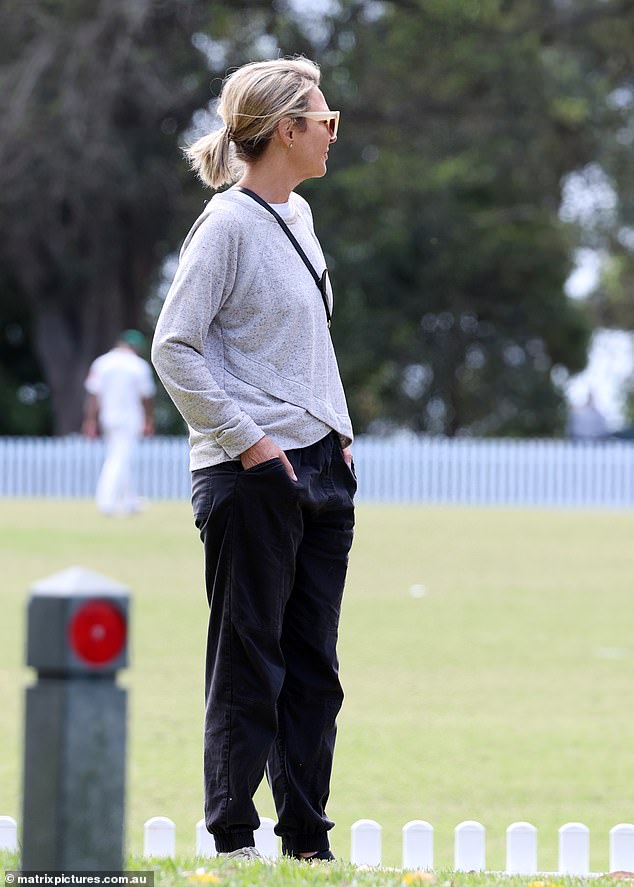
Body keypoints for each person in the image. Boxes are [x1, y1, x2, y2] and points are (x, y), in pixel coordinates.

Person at [151, 57, 356, 862]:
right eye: (325, 119)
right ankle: (233, 839)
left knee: (315, 670)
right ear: (286, 131)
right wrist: (254, 443)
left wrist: (335, 428)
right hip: (251, 474)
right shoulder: (228, 225)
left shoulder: (299, 218)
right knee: (250, 662)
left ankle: (307, 844)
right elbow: (176, 346)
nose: (335, 131)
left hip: (321, 468)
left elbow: (305, 343)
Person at [82, 329, 156, 515]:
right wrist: (148, 420)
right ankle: (105, 502)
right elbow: (146, 396)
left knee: (122, 457)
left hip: (108, 417)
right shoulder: (138, 365)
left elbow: (93, 395)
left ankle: (130, 502)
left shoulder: (102, 363)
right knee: (118, 459)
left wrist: (90, 420)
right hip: (130, 418)